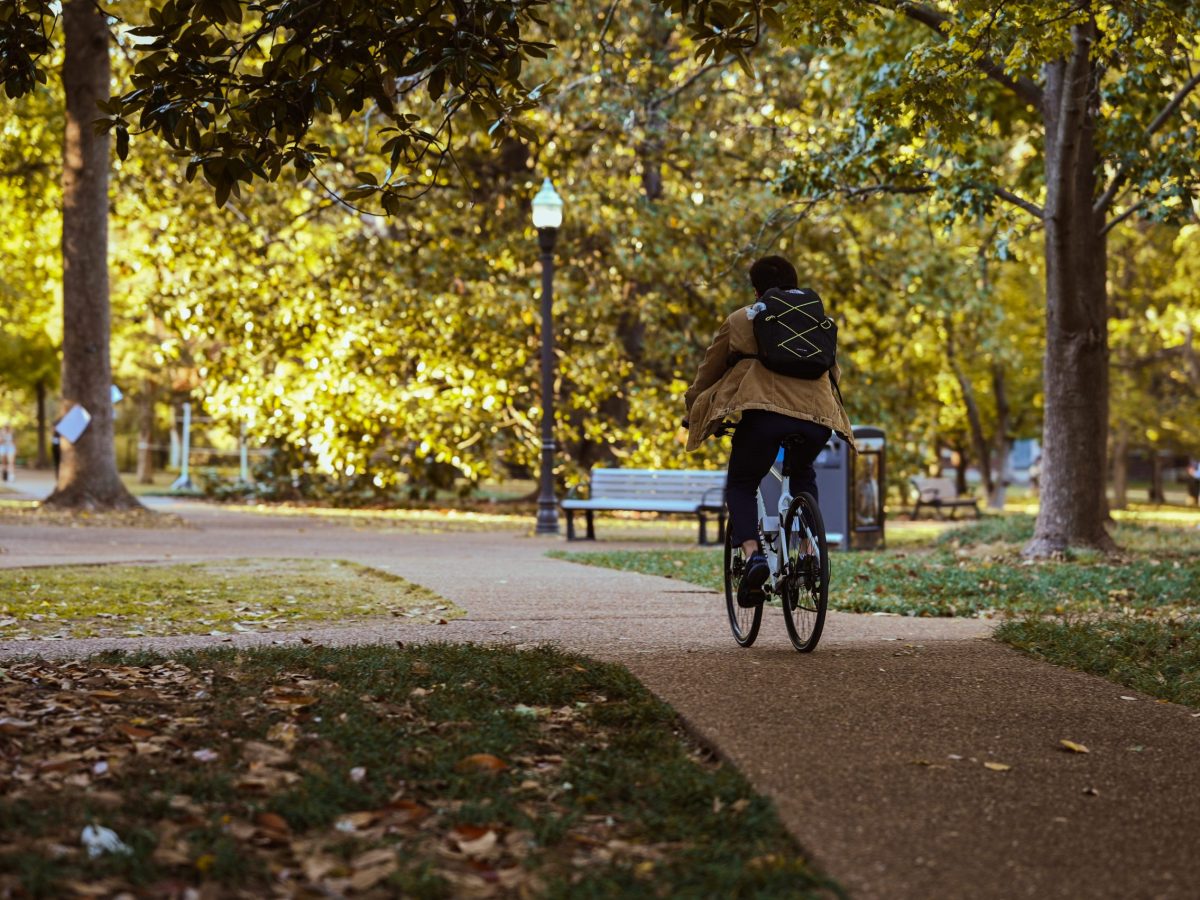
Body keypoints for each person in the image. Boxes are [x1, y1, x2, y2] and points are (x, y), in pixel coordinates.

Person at [683, 255, 855, 607]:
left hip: (764, 416)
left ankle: (753, 556)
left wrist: (693, 407)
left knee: (743, 482)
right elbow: (833, 374)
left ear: (758, 289)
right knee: (802, 472)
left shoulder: (742, 319)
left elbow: (709, 371)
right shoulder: (818, 321)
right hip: (817, 418)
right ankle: (809, 551)